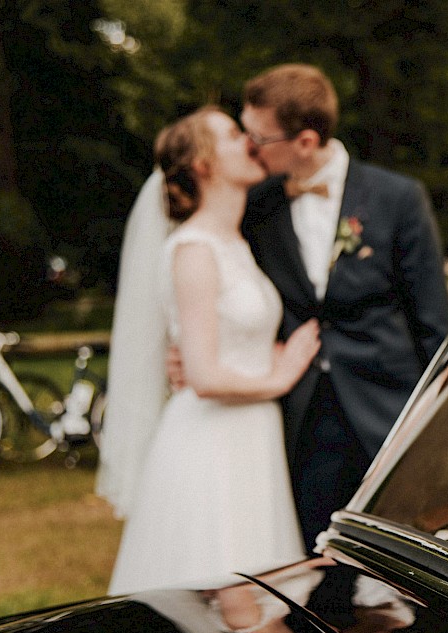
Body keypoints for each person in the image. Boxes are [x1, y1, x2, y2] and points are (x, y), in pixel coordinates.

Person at [222, 63, 448, 550]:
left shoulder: (397, 198)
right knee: (314, 564)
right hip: (300, 415)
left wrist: (436, 429)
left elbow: (433, 323)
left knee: (407, 562)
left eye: (258, 137)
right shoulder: (255, 206)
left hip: (387, 408)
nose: (248, 146)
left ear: (304, 141)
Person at [106, 106, 321, 595]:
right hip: (211, 446)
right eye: (231, 134)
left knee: (258, 601)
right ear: (203, 164)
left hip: (250, 436)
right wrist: (281, 375)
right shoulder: (195, 249)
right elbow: (204, 377)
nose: (249, 139)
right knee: (222, 598)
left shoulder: (237, 240)